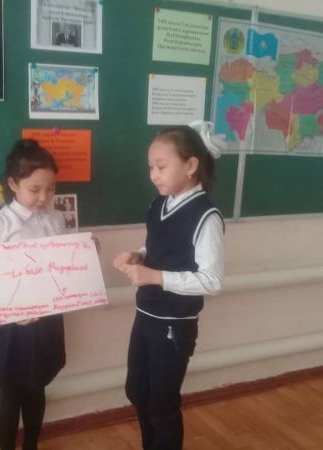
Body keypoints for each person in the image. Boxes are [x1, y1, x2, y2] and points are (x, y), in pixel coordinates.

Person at [113, 122, 225, 450]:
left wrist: (154, 276)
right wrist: (139, 255)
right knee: (137, 390)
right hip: (146, 314)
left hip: (174, 325)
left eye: (161, 167)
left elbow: (213, 280)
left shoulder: (206, 216)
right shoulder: (159, 204)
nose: (153, 175)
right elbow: (161, 249)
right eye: (151, 167)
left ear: (191, 166)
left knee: (163, 404)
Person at [0, 139, 66, 450]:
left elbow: (61, 263)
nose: (43, 197)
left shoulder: (55, 218)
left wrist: (83, 253)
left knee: (37, 388)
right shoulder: (1, 224)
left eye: (50, 189)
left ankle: (32, 446)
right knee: (10, 393)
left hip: (45, 318)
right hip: (12, 322)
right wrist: (13, 310)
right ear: (13, 184)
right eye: (34, 189)